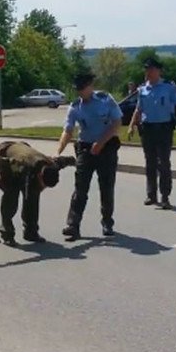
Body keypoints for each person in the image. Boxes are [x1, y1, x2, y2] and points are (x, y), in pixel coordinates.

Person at [0, 142, 76, 246]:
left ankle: (30, 232)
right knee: (11, 197)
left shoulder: (52, 164)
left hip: (27, 161)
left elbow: (67, 160)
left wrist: (77, 163)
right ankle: (7, 233)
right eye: (43, 184)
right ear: (40, 176)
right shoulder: (21, 163)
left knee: (32, 196)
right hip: (7, 156)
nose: (43, 188)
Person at [58, 72, 123, 242]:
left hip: (107, 148)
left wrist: (101, 142)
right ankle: (73, 225)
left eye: (82, 88)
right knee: (80, 188)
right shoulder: (75, 106)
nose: (80, 92)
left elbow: (117, 123)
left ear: (90, 86)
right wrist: (59, 150)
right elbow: (68, 130)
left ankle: (107, 222)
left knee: (106, 187)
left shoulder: (105, 99)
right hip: (85, 149)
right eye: (77, 89)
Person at [127, 57, 176, 210]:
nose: (148, 72)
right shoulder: (143, 89)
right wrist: (131, 126)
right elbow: (138, 109)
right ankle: (151, 194)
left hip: (164, 129)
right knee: (150, 163)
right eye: (146, 69)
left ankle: (165, 196)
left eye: (151, 69)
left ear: (158, 71)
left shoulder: (168, 87)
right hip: (147, 129)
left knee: (163, 163)